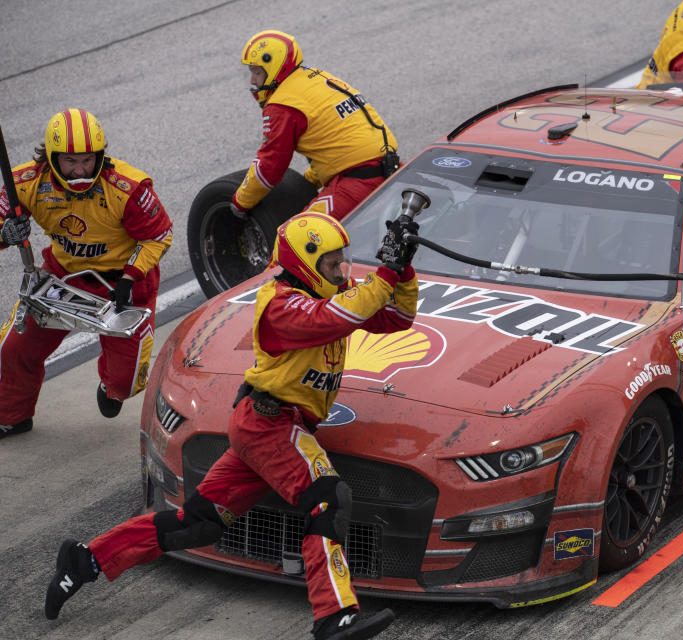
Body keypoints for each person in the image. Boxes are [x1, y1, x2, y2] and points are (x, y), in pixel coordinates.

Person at [44, 210, 420, 640]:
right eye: (332, 265)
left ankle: (86, 559)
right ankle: (334, 615)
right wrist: (385, 275)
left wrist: (403, 270)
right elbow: (338, 317)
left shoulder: (333, 293)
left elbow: (397, 319)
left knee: (196, 524)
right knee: (327, 498)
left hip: (264, 425)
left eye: (343, 262)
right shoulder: (281, 305)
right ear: (303, 266)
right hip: (273, 424)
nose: (341, 273)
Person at [0, 108, 173, 438]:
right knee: (13, 350)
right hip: (63, 278)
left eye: (87, 160)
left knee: (125, 384)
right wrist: (5, 234)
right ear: (52, 158)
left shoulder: (129, 187)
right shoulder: (25, 181)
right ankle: (11, 415)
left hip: (124, 285)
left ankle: (110, 385)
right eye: (69, 161)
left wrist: (130, 277)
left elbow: (160, 236)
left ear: (100, 155)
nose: (80, 170)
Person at [231, 29, 399, 223]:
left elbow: (269, 165)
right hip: (392, 168)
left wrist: (239, 202)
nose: (253, 81)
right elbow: (334, 138)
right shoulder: (316, 78)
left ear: (274, 69)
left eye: (257, 72)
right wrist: (309, 180)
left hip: (358, 181)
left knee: (293, 240)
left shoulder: (282, 104)